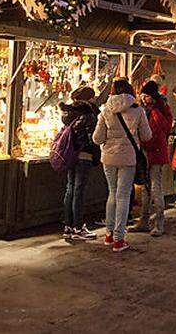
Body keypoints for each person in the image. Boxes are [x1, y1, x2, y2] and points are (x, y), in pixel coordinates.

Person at [93, 78, 152, 251]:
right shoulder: (138, 110)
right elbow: (147, 135)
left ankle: (109, 234)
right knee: (123, 195)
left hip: (109, 158)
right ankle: (119, 239)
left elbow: (97, 138)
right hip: (127, 158)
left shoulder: (105, 110)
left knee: (112, 193)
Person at [60, 86, 100, 241]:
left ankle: (68, 226)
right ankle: (78, 226)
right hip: (84, 156)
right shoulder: (89, 115)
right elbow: (93, 139)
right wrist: (96, 154)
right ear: (89, 99)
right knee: (79, 190)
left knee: (70, 188)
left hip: (71, 156)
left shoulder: (69, 114)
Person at [134, 80, 172, 236]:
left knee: (155, 188)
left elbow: (159, 130)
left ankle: (159, 222)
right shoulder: (146, 109)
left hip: (155, 152)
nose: (143, 99)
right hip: (146, 152)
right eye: (142, 96)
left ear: (153, 96)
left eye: (146, 96)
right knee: (146, 188)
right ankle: (144, 221)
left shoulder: (158, 110)